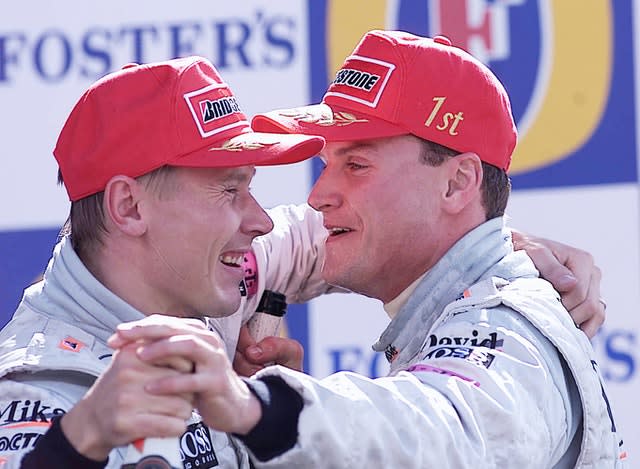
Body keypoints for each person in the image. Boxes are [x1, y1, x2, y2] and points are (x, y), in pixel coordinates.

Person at [114, 31, 626, 467]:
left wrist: (252, 406)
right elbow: (235, 252)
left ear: (457, 184)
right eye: (326, 164)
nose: (318, 196)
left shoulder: (509, 327)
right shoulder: (482, 290)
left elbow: (444, 431)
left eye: (356, 166)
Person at [0, 56, 325, 468]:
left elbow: (330, 237)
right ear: (130, 207)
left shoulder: (204, 284)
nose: (261, 221)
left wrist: (264, 428)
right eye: (229, 191)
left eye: (250, 187)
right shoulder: (37, 402)